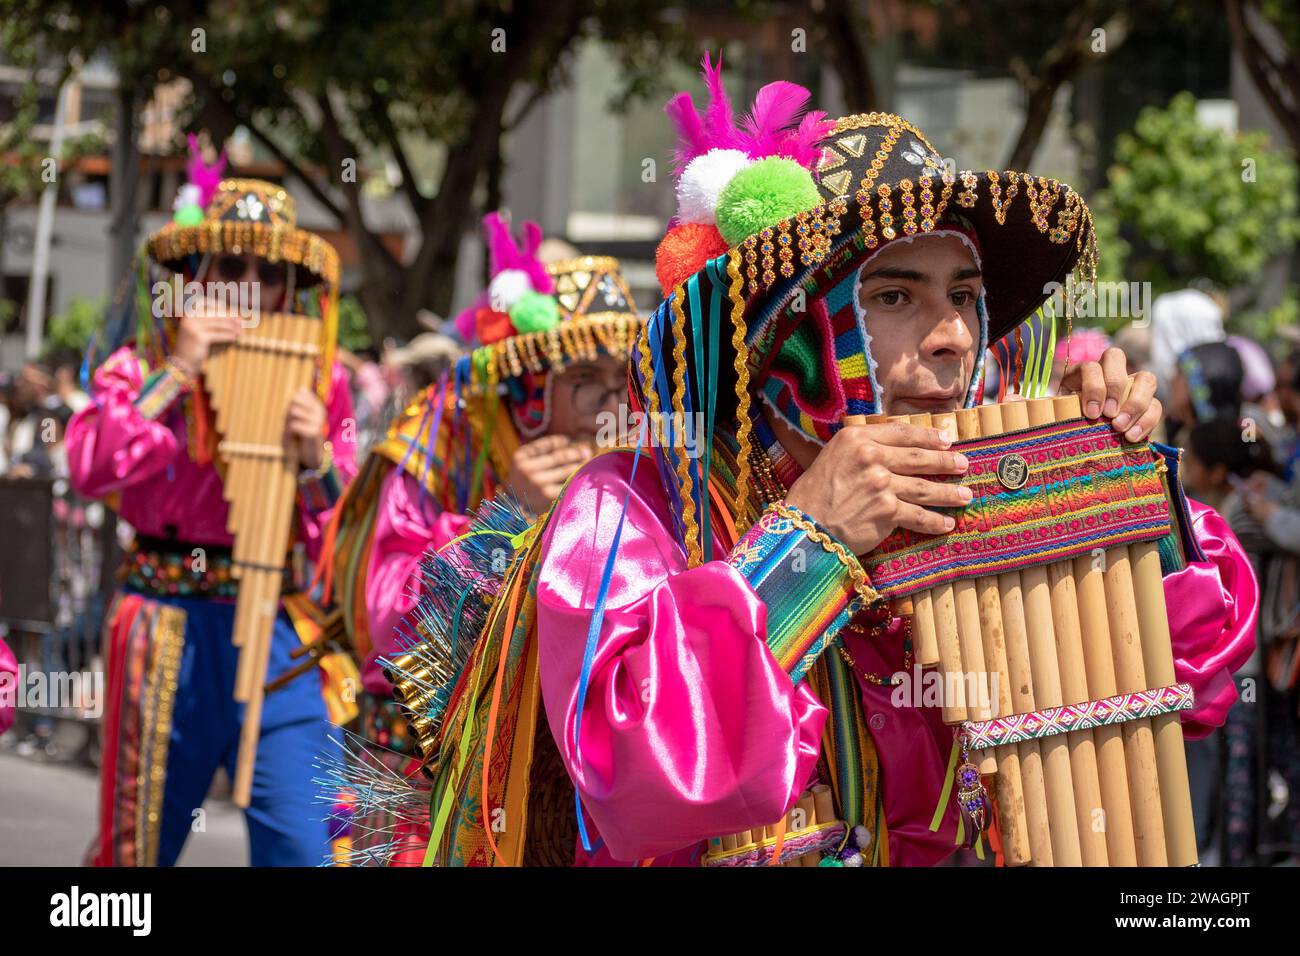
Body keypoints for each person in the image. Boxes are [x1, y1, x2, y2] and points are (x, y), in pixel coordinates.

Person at [365, 62, 1257, 867]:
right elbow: (635, 777)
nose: (952, 338)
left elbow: (1198, 672)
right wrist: (807, 543)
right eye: (896, 295)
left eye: (966, 297)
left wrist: (1131, 499)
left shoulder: (998, 477)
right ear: (790, 332)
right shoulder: (635, 506)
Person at [321, 212, 643, 864]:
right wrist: (509, 516)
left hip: (550, 781)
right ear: (529, 392)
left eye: (624, 384)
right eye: (586, 383)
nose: (614, 409)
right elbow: (387, 622)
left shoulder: (634, 462)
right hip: (422, 767)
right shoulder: (440, 437)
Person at [67, 163, 358, 866]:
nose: (249, 289)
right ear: (197, 275)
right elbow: (89, 467)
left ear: (293, 286)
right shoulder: (140, 367)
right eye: (231, 265)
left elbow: (340, 529)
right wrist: (178, 374)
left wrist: (315, 458)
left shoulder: (324, 379)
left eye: (269, 271)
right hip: (164, 619)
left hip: (279, 629)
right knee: (136, 849)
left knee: (307, 845)